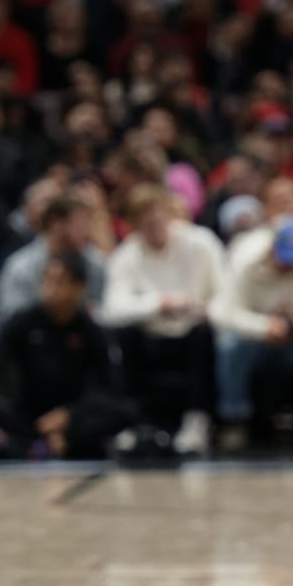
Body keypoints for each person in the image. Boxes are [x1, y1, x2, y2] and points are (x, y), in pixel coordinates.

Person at [0, 251, 135, 459]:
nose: (50, 290)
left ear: (79, 287)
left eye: (60, 282)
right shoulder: (23, 320)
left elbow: (109, 386)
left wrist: (69, 415)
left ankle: (59, 442)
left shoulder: (91, 330)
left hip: (74, 414)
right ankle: (29, 445)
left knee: (123, 411)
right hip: (28, 414)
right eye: (47, 280)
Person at [98, 185, 225, 456]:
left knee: (205, 335)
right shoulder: (127, 256)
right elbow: (113, 307)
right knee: (123, 336)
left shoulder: (201, 243)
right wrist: (159, 303)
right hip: (151, 335)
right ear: (133, 224)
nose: (154, 221)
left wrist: (201, 308)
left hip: (194, 331)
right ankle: (136, 423)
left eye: (158, 213)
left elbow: (225, 294)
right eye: (145, 217)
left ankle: (196, 421)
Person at [208, 216, 293, 454]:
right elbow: (225, 313)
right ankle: (235, 420)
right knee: (230, 345)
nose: (289, 264)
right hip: (257, 346)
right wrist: (265, 327)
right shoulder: (248, 268)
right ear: (271, 249)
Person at [0, 193, 108, 320]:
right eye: (81, 225)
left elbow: (103, 310)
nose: (87, 232)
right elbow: (11, 318)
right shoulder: (20, 267)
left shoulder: (95, 264)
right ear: (56, 224)